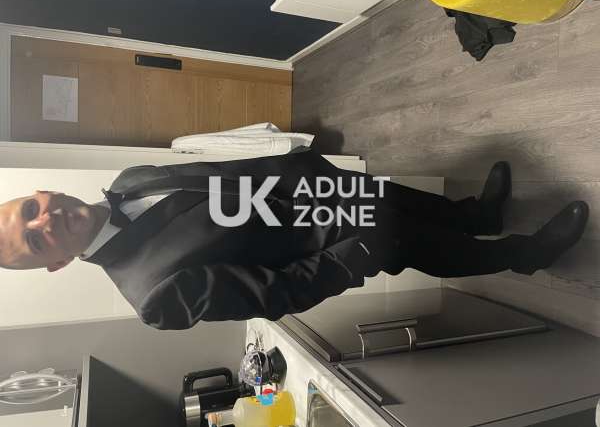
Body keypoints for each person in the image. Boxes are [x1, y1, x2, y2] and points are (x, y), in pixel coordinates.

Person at [0, 147, 589, 329]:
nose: (44, 222)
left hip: (305, 188)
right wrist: (361, 253)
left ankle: (476, 215)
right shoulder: (153, 295)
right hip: (333, 241)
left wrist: (291, 165)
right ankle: (526, 255)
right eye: (36, 242)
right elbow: (276, 292)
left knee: (399, 198)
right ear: (55, 265)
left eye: (31, 210)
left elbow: (223, 174)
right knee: (417, 241)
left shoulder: (130, 180)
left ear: (41, 193)